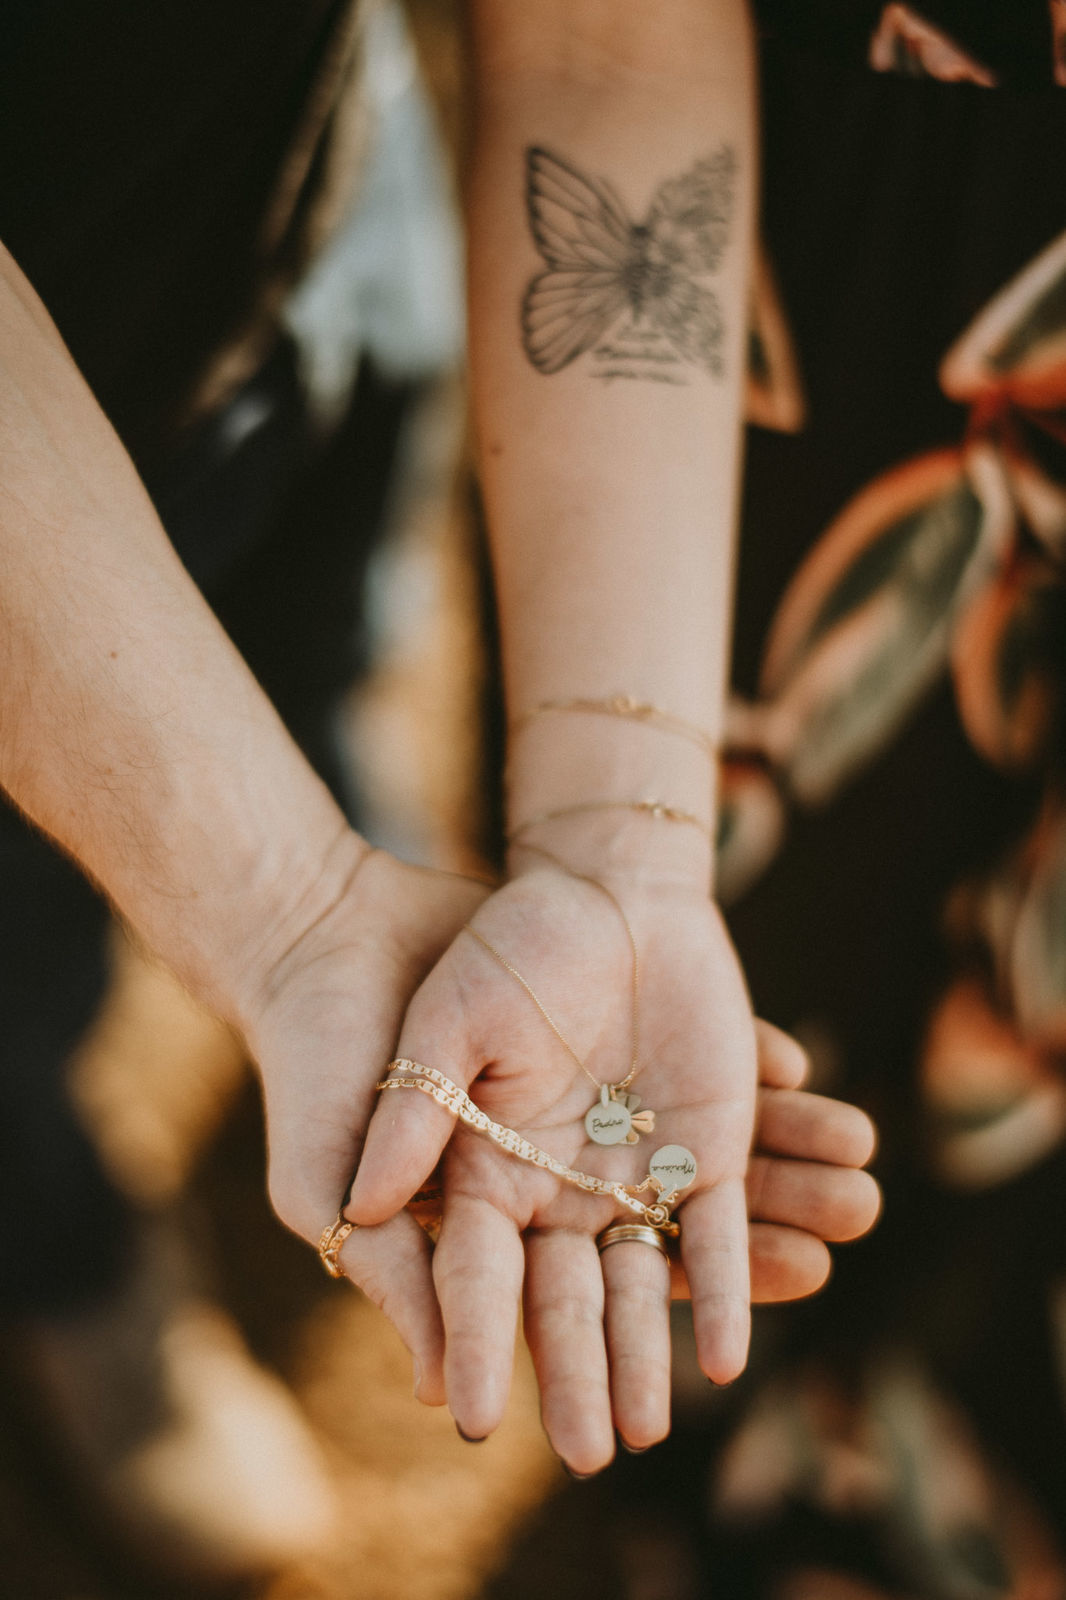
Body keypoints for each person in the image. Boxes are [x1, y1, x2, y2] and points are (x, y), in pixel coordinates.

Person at [0, 0, 880, 1542]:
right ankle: (53, 1246)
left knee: (333, 627)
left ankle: (369, 886)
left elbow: (611, 43)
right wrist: (279, 911)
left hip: (314, 181)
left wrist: (622, 842)